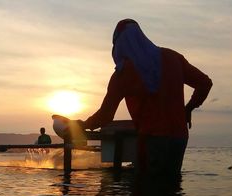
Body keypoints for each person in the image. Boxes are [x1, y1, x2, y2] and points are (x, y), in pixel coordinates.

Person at [80, 19, 212, 179]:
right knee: (171, 190)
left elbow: (105, 116)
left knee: (148, 193)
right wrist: (188, 108)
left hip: (152, 139)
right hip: (179, 138)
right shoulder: (173, 58)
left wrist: (82, 125)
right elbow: (205, 83)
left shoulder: (122, 74)